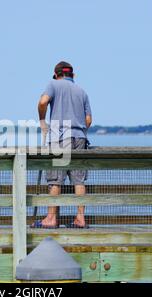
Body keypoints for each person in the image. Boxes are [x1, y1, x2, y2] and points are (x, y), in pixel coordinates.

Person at [32, 61, 92, 229]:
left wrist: (43, 121)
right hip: (79, 138)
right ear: (72, 75)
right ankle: (80, 218)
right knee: (79, 180)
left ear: (56, 74)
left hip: (59, 136)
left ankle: (51, 218)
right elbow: (88, 120)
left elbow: (43, 102)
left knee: (55, 179)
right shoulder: (82, 92)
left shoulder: (53, 84)